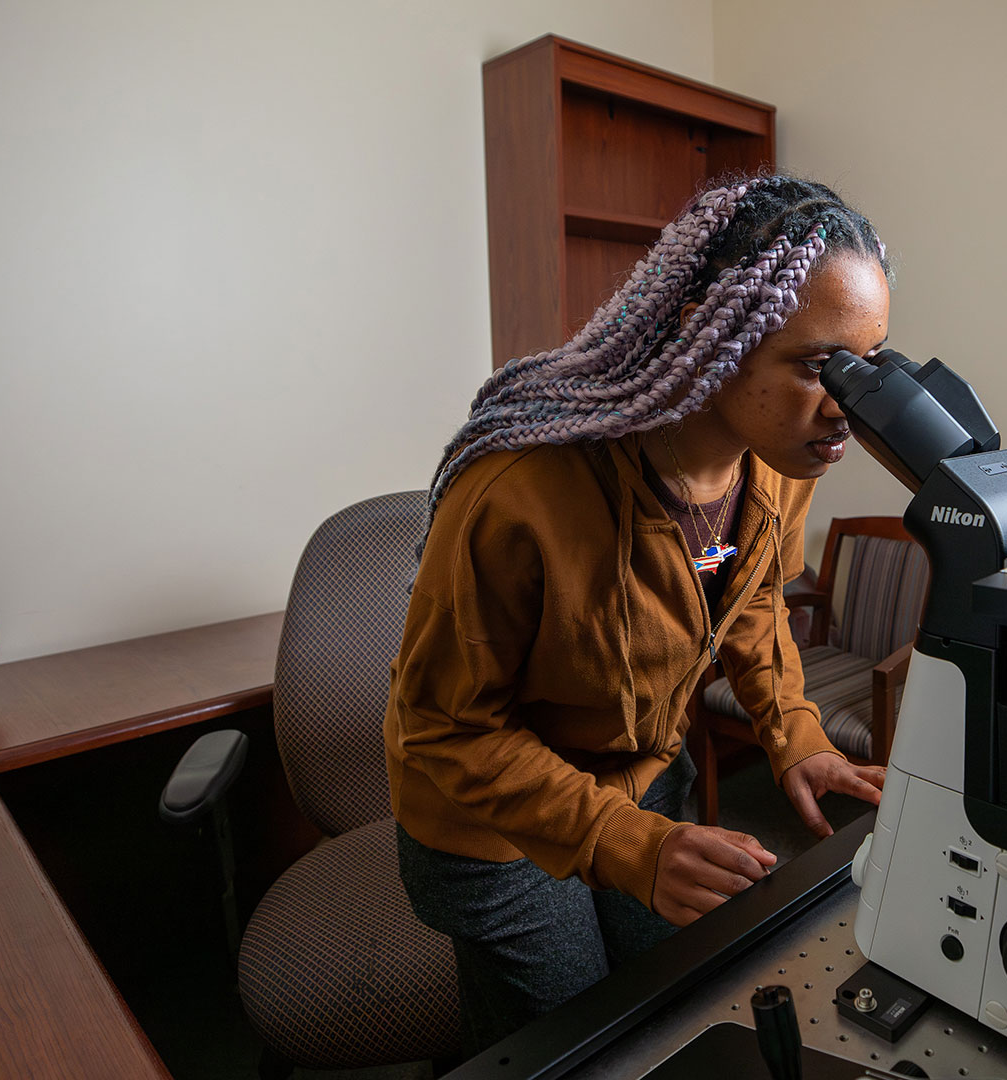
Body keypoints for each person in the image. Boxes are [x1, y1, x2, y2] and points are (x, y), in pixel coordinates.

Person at [385, 174, 893, 1054]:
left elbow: (754, 602)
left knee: (681, 1003)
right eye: (817, 366)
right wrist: (621, 842)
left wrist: (797, 734)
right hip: (495, 830)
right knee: (577, 1042)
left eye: (866, 364)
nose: (845, 404)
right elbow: (442, 729)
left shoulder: (777, 459)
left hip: (647, 777)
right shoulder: (518, 494)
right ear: (709, 330)